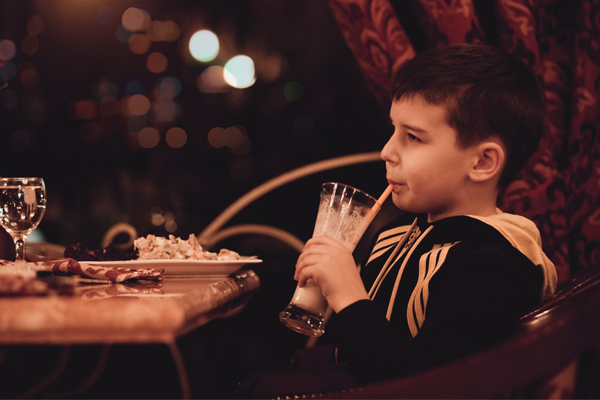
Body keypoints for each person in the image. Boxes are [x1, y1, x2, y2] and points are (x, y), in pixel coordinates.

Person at [240, 43, 557, 397]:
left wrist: (348, 296)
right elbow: (367, 347)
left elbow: (432, 383)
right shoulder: (400, 234)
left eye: (413, 137)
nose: (387, 151)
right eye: (393, 130)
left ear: (482, 162)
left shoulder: (494, 263)